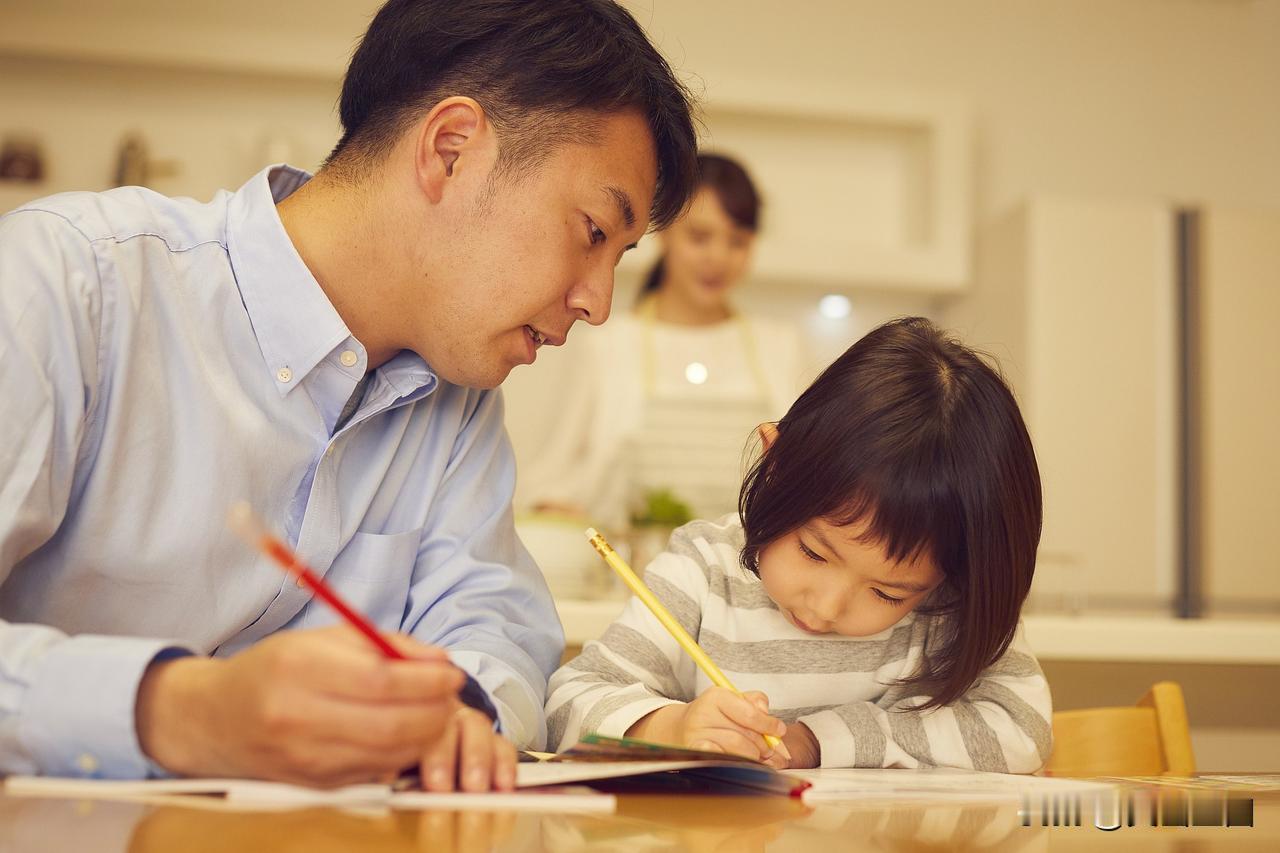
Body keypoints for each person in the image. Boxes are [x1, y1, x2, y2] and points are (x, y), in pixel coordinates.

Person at [0, 0, 698, 789]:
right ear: (452, 148)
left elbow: (494, 626)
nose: (600, 303)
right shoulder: (70, 282)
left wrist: (460, 714)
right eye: (596, 232)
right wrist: (184, 710)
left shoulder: (455, 400)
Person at [545, 318, 1052, 773]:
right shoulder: (703, 571)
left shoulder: (947, 604)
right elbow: (569, 703)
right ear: (775, 465)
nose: (827, 606)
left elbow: (1021, 729)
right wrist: (671, 729)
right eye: (814, 552)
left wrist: (822, 739)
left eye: (887, 594)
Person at [520, 153, 802, 530]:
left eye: (736, 242)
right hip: (633, 574)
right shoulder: (610, 344)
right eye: (700, 237)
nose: (717, 257)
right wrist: (558, 512)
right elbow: (555, 476)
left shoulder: (782, 348)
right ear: (665, 231)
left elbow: (809, 478)